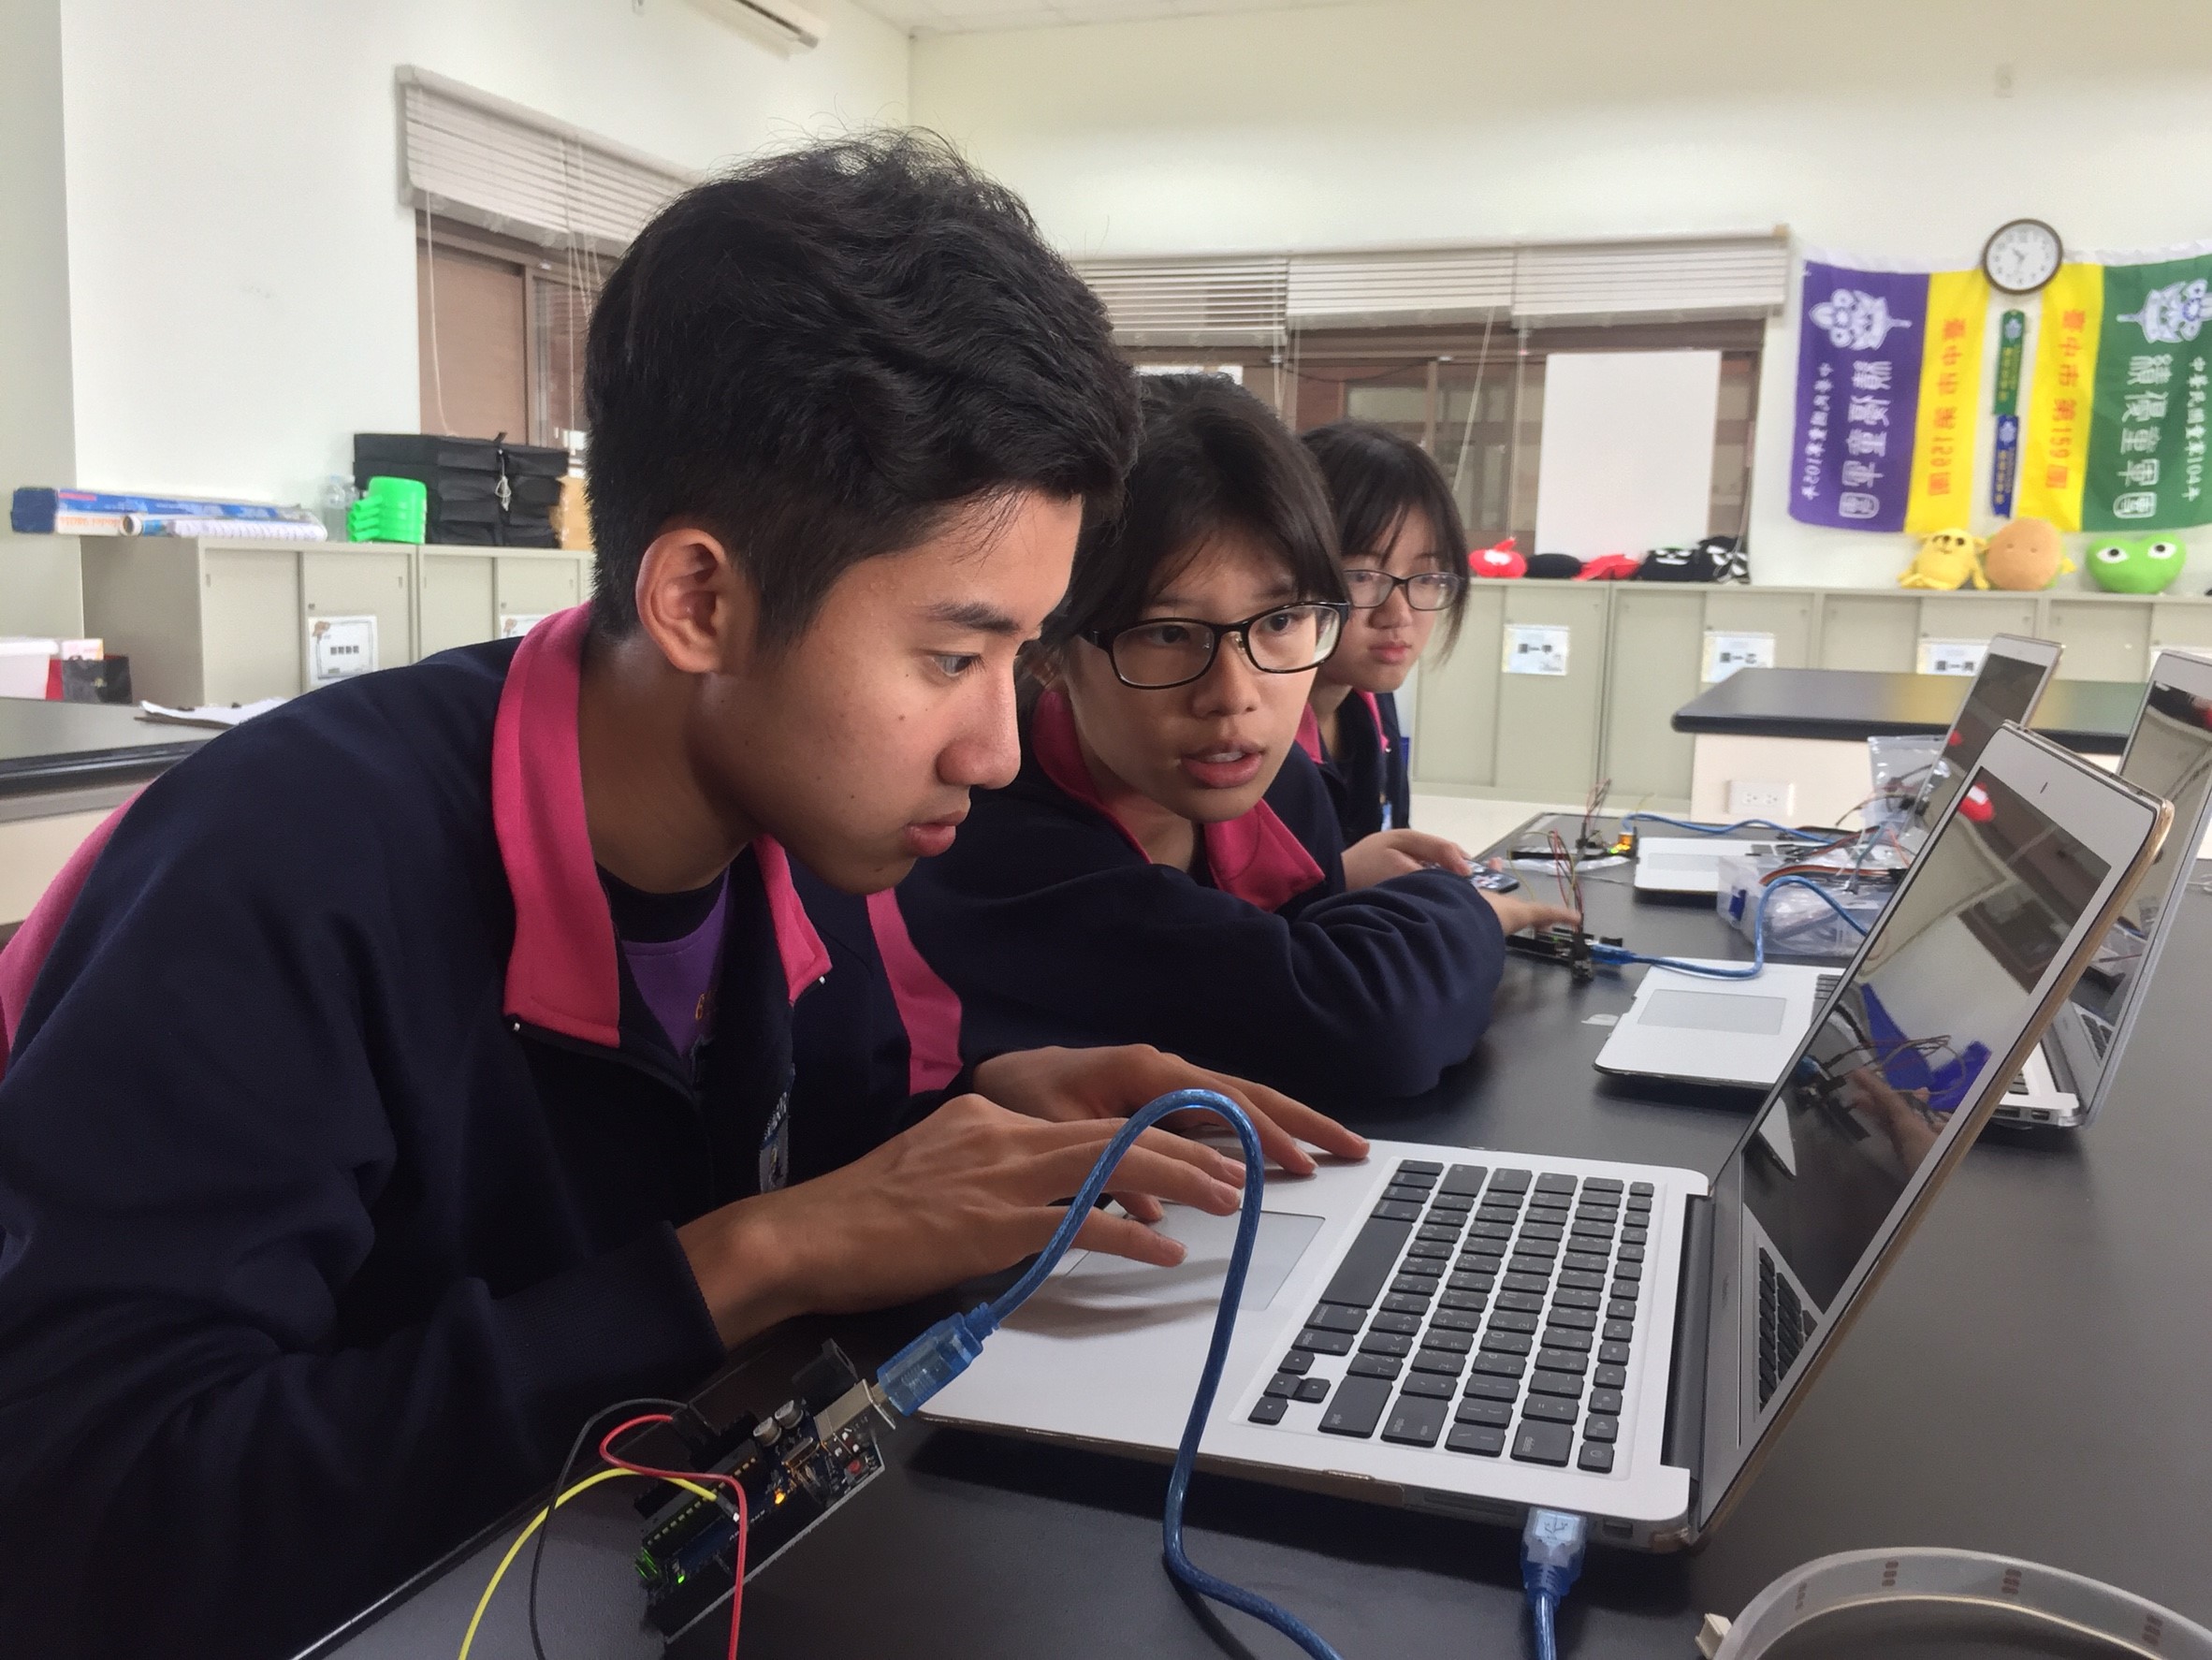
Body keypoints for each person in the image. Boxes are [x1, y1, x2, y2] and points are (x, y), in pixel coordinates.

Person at [0, 139, 1362, 1660]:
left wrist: (973, 1109)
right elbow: (96, 1507)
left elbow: (816, 1186)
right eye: (948, 656)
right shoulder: (286, 866)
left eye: (1020, 655)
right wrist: (749, 1257)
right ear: (699, 598)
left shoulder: (810, 837)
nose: (993, 747)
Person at [871, 375, 1578, 1109]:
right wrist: (1470, 911)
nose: (1234, 694)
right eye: (1167, 633)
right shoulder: (999, 841)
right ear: (1049, 649)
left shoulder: (1280, 788)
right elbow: (1370, 1028)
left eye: (1280, 621)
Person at [1298, 419, 1476, 885]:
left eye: (1426, 577)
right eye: (1362, 576)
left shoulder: (1372, 703)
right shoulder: (1245, 733)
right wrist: (1339, 881)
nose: (1398, 615)